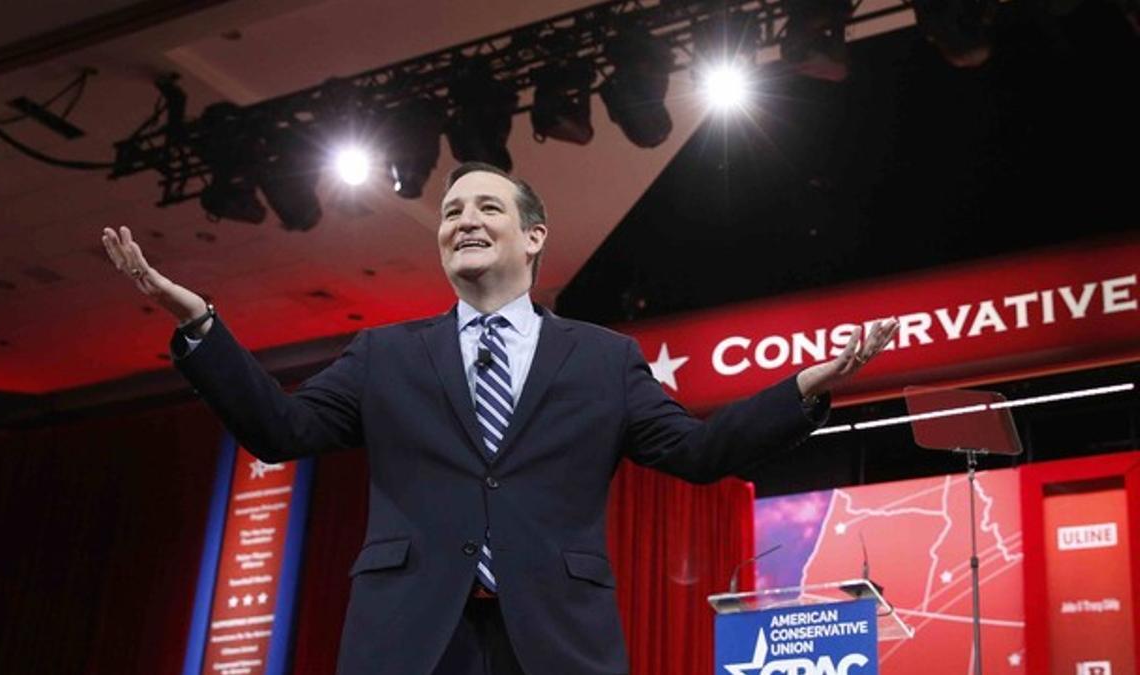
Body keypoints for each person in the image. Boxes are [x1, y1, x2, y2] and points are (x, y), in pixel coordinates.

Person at [102, 161, 898, 675]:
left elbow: (696, 450)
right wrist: (203, 325)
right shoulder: (385, 354)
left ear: (534, 237)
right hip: (410, 637)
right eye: (451, 212)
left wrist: (803, 387)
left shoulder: (602, 359)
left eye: (487, 206)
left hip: (554, 637)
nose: (464, 221)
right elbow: (281, 430)